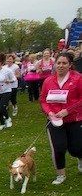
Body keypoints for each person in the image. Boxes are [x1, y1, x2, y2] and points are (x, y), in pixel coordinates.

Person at [39, 52, 82, 185]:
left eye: (64, 63)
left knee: (76, 148)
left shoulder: (78, 79)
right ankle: (60, 175)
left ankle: (80, 157)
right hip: (55, 121)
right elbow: (43, 100)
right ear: (55, 64)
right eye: (58, 63)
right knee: (59, 148)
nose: (61, 66)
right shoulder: (48, 81)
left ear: (70, 65)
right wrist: (49, 112)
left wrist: (68, 111)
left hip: (75, 119)